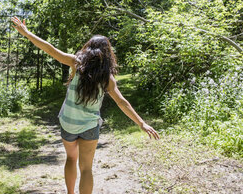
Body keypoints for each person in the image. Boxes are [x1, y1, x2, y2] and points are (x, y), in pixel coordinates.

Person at [11, 16, 160, 194]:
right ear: (107, 54)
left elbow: (50, 49)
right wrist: (141, 123)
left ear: (88, 48)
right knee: (86, 169)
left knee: (71, 159)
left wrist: (27, 33)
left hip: (69, 122)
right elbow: (122, 102)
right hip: (89, 126)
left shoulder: (76, 63)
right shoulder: (107, 78)